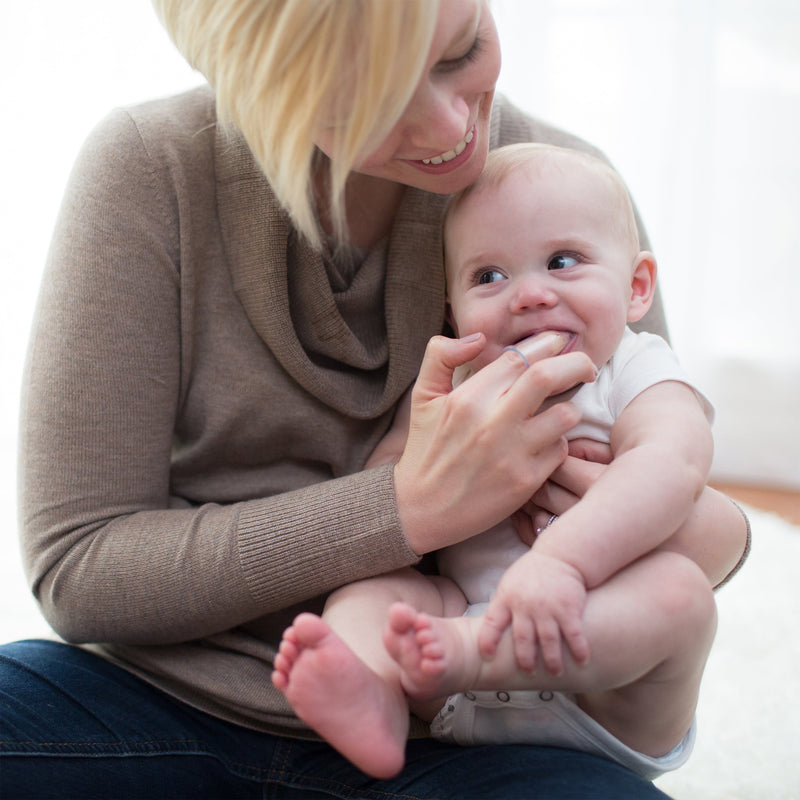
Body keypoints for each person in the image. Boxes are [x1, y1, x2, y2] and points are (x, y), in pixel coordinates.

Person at [0, 2, 749, 798]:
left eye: (463, 52)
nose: (448, 125)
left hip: (479, 733)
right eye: (373, 104)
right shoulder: (152, 172)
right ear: (253, 84)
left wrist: (624, 516)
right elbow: (79, 567)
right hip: (164, 702)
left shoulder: (563, 188)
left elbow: (695, 511)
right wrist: (407, 507)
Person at [270, 142, 725, 780]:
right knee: (373, 590)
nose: (529, 295)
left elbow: (673, 463)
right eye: (489, 276)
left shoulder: (635, 366)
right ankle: (372, 692)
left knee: (679, 597)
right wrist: (416, 466)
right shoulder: (463, 385)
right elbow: (388, 498)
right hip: (456, 661)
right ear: (454, 311)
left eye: (563, 262)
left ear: (636, 286)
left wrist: (564, 564)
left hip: (606, 693)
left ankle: (473, 654)